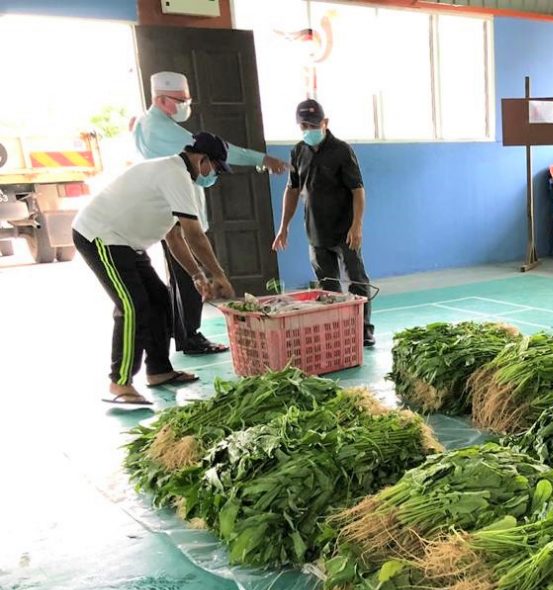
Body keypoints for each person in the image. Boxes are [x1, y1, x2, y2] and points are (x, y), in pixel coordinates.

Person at [73, 132, 236, 406]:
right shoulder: (174, 174)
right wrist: (218, 275)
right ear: (202, 159)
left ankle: (159, 370)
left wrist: (197, 275)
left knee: (160, 301)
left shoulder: (177, 177)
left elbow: (174, 237)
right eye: (216, 168)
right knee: (132, 306)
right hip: (100, 235)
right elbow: (194, 235)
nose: (214, 176)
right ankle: (119, 383)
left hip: (127, 244)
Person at [134, 71, 287, 355]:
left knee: (180, 274)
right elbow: (223, 153)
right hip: (171, 210)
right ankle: (190, 336)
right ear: (161, 100)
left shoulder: (144, 125)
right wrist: (262, 159)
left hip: (163, 210)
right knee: (188, 274)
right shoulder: (165, 132)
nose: (186, 105)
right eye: (181, 100)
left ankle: (183, 332)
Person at [272, 99, 375, 346]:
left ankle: (363, 329)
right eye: (304, 126)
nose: (309, 130)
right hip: (316, 232)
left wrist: (357, 225)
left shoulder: (341, 150)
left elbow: (357, 190)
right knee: (327, 286)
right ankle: (338, 330)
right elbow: (292, 190)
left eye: (313, 125)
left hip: (345, 231)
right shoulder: (298, 151)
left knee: (356, 279)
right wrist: (283, 227)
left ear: (325, 122)